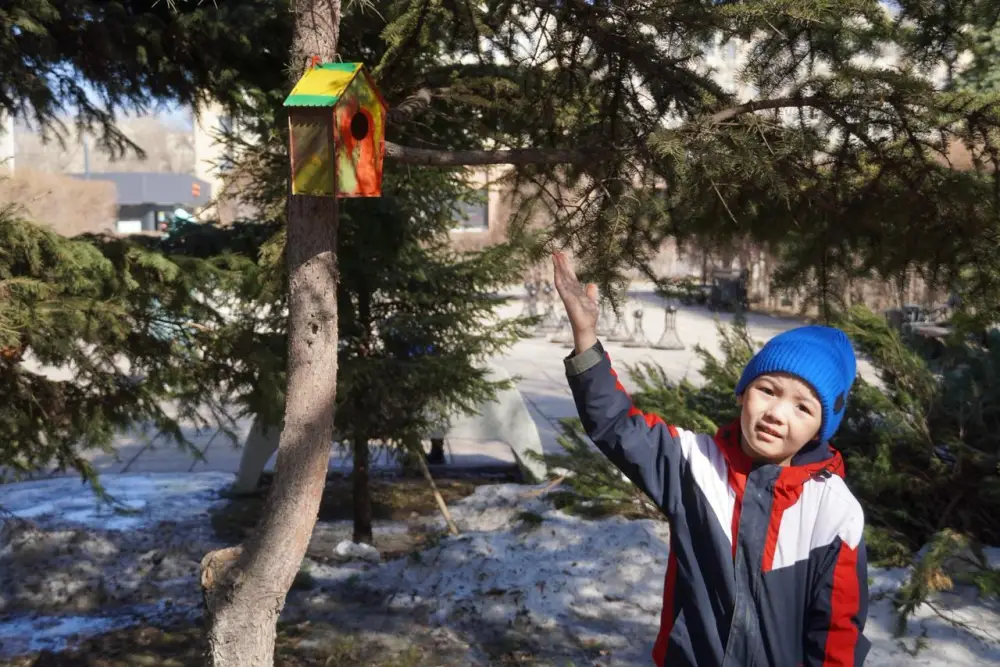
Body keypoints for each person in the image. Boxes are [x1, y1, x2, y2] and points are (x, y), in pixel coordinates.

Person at [551, 251, 870, 666]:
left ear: (820, 430)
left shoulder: (833, 511)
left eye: (802, 407)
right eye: (767, 390)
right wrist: (585, 338)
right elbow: (616, 425)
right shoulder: (694, 464)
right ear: (742, 393)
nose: (777, 413)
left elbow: (837, 635)